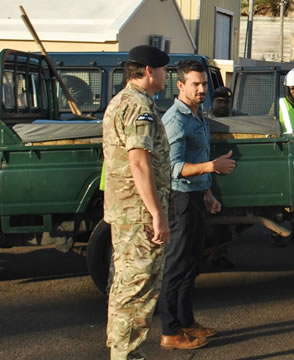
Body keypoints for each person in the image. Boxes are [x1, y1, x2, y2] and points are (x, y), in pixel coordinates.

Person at [102, 45, 176, 359]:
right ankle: (127, 354)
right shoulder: (137, 106)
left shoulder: (121, 102)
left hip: (127, 212)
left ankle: (121, 351)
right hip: (138, 214)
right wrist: (157, 213)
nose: (165, 75)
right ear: (149, 71)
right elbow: (139, 163)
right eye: (162, 70)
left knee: (124, 285)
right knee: (137, 289)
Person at [159, 60, 236, 350]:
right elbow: (173, 166)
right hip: (179, 199)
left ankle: (186, 321)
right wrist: (211, 166)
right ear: (180, 86)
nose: (202, 89)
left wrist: (208, 194)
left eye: (204, 83)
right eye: (196, 84)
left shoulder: (197, 115)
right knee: (176, 265)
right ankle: (170, 330)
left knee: (192, 263)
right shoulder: (176, 120)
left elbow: (195, 162)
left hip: (194, 195)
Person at [205, 86, 243, 269]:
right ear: (213, 101)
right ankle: (214, 253)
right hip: (208, 177)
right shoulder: (205, 118)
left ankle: (220, 253)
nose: (223, 105)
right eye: (219, 101)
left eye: (226, 102)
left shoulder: (238, 118)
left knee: (231, 221)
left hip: (230, 177)